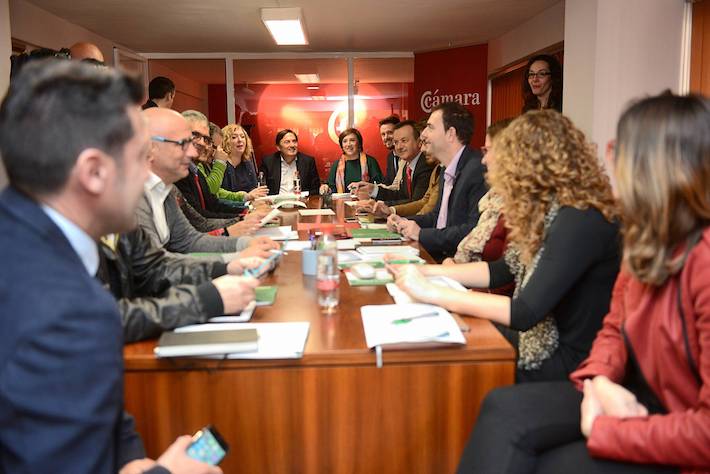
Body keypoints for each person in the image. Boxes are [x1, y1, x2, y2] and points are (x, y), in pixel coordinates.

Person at [457, 93, 710, 474]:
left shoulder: (700, 261)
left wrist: (606, 429)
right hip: (638, 398)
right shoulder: (647, 239)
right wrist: (598, 381)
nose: (611, 159)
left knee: (551, 461)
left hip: (677, 427)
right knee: (503, 408)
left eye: (621, 150)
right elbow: (613, 329)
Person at [0, 59, 219, 473]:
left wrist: (132, 461)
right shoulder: (62, 310)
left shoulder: (26, 237)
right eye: (139, 157)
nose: (148, 172)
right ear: (94, 172)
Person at [393, 109, 620, 382]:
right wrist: (427, 272)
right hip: (540, 341)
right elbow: (502, 269)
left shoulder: (579, 218)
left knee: (442, 357)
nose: (487, 161)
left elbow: (525, 312)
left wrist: (433, 293)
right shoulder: (551, 209)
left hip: (562, 359)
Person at [136, 107, 277, 258]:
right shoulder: (132, 198)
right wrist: (231, 243)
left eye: (206, 140)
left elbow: (189, 240)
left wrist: (242, 243)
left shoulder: (167, 189)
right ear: (150, 147)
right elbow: (156, 266)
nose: (195, 150)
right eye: (183, 143)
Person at [99, 226, 263, 343]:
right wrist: (205, 300)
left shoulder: (122, 223)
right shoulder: (83, 240)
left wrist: (224, 269)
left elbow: (158, 268)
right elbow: (101, 320)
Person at [387, 102, 487, 260]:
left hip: (457, 264)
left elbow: (473, 231)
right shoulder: (447, 168)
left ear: (450, 134)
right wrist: (403, 221)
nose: (423, 135)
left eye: (430, 127)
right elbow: (437, 217)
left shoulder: (477, 170)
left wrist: (420, 234)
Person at [354, 120, 434, 205]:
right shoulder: (407, 166)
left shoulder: (426, 164)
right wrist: (373, 190)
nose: (399, 147)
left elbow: (417, 203)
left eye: (404, 141)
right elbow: (401, 196)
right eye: (396, 142)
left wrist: (381, 206)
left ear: (419, 142)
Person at [260, 129, 322, 195]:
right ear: (278, 147)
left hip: (301, 200)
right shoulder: (268, 162)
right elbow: (262, 189)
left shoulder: (308, 162)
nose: (292, 145)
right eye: (287, 142)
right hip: (277, 200)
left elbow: (315, 189)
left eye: (294, 141)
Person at [321, 128, 384, 193]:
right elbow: (332, 188)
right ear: (341, 145)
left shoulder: (370, 161)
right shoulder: (336, 165)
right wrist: (326, 188)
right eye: (345, 141)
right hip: (342, 199)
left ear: (359, 143)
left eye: (352, 140)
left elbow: (378, 187)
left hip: (366, 199)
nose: (348, 144)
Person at [221, 123, 262, 194]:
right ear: (225, 142)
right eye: (234, 137)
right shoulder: (221, 164)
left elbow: (254, 189)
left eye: (242, 137)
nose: (240, 140)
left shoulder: (248, 163)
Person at [379, 115, 401, 186]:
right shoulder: (390, 157)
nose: (386, 137)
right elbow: (387, 183)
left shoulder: (408, 155)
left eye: (390, 133)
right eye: (383, 134)